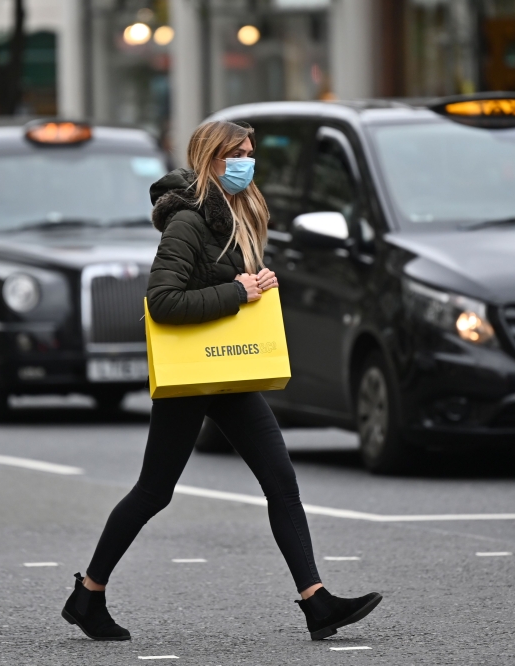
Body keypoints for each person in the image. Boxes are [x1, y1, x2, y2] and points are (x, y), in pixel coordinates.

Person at [62, 121, 382, 642]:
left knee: (281, 480)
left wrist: (257, 285)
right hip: (194, 374)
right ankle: (89, 593)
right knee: (153, 491)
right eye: (238, 153)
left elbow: (228, 285)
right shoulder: (187, 223)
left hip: (227, 369)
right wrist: (238, 291)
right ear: (211, 159)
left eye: (250, 153)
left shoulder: (236, 215)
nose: (247, 162)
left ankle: (316, 602)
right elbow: (162, 302)